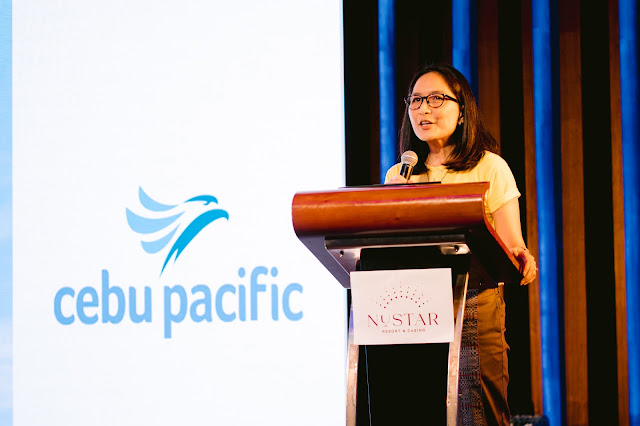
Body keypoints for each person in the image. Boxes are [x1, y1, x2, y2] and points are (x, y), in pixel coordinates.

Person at [385, 63, 537, 425]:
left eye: (436, 98)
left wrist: (521, 255)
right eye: (416, 100)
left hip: (475, 303)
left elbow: (512, 242)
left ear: (463, 110)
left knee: (479, 412)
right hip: (411, 311)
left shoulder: (489, 168)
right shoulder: (400, 175)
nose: (423, 109)